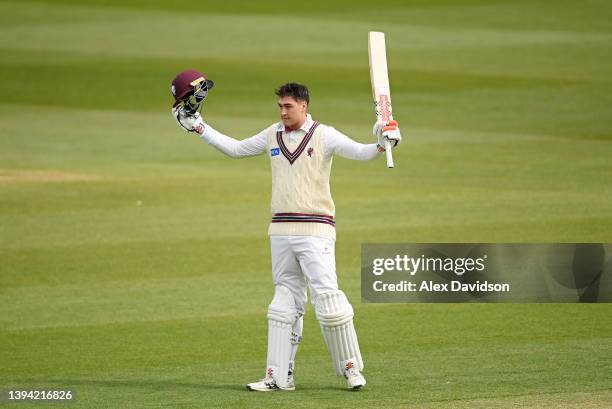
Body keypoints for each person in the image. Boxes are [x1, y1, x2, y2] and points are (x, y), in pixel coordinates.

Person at [170, 70, 401, 391]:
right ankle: (279, 377)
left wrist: (381, 143)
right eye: (280, 106)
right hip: (280, 229)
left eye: (288, 106)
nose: (282, 111)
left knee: (328, 301)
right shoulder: (271, 134)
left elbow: (361, 153)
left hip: (316, 229)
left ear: (304, 106)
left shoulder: (325, 135)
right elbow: (236, 149)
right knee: (283, 304)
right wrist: (200, 127)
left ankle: (351, 370)